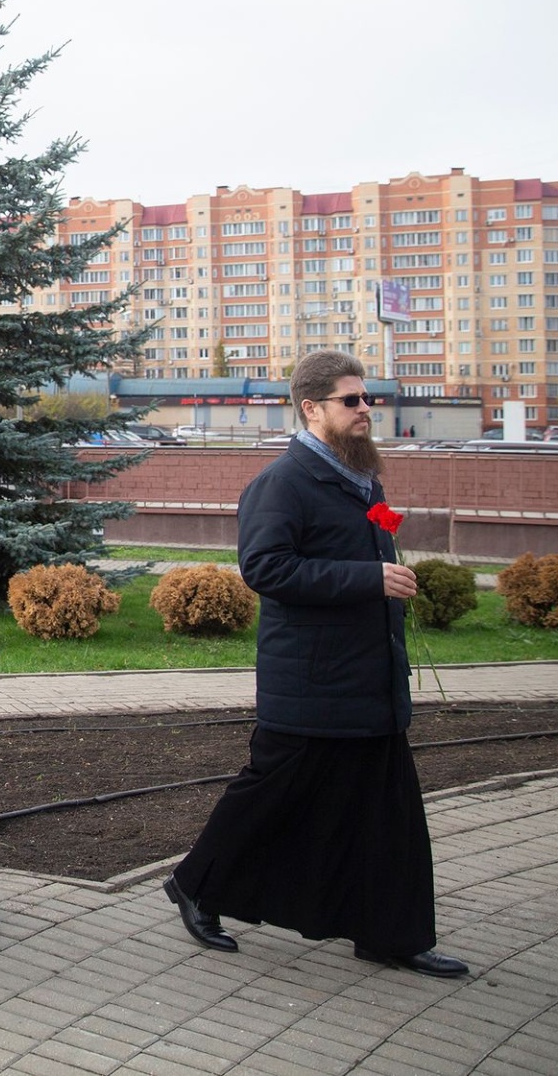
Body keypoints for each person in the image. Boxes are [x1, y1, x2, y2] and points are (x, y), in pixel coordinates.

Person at [164, 351, 469, 978]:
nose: (366, 411)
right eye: (351, 401)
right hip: (311, 681)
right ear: (312, 409)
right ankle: (196, 884)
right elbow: (266, 569)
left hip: (368, 680)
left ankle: (389, 933)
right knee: (270, 795)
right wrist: (369, 579)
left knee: (386, 814)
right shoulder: (284, 482)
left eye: (367, 400)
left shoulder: (360, 479)